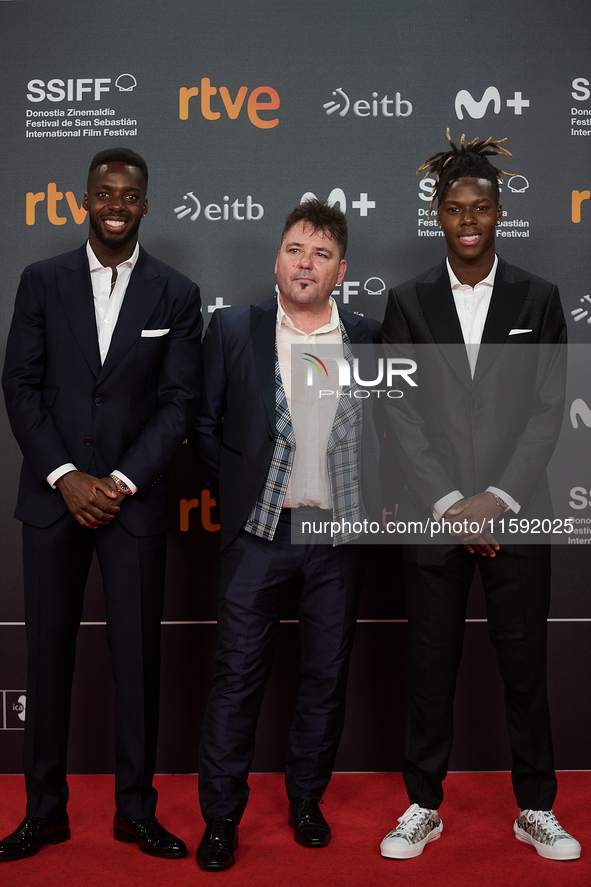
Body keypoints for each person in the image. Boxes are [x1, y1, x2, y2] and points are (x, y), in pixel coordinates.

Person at [379, 131, 580, 862]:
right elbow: (397, 409)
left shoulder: (540, 297)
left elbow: (546, 407)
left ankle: (535, 806)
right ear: (437, 215)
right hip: (433, 517)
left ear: (499, 213)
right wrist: (450, 502)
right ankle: (422, 805)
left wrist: (495, 498)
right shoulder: (407, 301)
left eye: (481, 207)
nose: (468, 219)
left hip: (517, 513)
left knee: (523, 665)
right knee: (429, 666)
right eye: (454, 208)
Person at [0, 148, 202, 861]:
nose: (116, 202)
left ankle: (134, 811)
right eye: (104, 191)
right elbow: (19, 384)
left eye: (130, 194)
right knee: (47, 656)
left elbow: (178, 401)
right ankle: (44, 811)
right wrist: (64, 475)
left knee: (135, 658)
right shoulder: (40, 281)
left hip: (132, 504)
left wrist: (116, 482)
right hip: (54, 499)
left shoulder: (175, 292)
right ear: (84, 198)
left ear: (146, 203)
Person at [191, 199, 380, 870]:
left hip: (336, 539)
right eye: (295, 249)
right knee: (236, 677)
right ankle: (220, 818)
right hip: (258, 534)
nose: (305, 262)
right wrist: (243, 496)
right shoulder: (235, 329)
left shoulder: (367, 335)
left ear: (340, 270)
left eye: (321, 253)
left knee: (325, 676)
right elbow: (205, 425)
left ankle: (306, 799)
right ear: (277, 259)